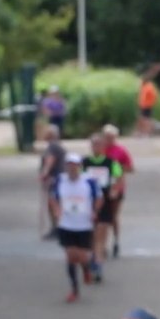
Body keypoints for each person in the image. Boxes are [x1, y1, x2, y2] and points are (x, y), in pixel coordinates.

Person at [51, 154, 102, 303]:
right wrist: (56, 211)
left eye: (75, 165)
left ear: (79, 166)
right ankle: (74, 289)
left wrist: (94, 211)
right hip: (66, 224)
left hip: (84, 224)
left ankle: (86, 268)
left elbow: (99, 198)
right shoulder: (60, 180)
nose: (72, 168)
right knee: (70, 256)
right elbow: (53, 197)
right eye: (69, 165)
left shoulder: (89, 181)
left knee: (81, 255)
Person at [83, 135, 125, 282]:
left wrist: (115, 190)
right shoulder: (84, 162)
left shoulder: (110, 163)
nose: (96, 148)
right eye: (94, 145)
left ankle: (98, 263)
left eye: (99, 145)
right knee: (91, 236)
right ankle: (93, 258)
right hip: (88, 203)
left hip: (105, 201)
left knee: (101, 234)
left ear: (103, 147)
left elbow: (120, 177)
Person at [102, 125, 134, 259]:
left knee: (113, 216)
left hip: (117, 186)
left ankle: (115, 241)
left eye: (112, 137)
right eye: (107, 137)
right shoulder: (100, 150)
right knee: (101, 218)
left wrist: (118, 168)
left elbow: (130, 168)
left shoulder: (121, 151)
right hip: (102, 187)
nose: (109, 140)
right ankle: (102, 244)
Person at [39, 127, 67, 240]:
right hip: (58, 179)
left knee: (53, 204)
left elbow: (50, 161)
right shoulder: (56, 145)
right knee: (55, 204)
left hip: (55, 179)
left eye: (46, 132)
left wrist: (44, 174)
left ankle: (57, 228)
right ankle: (57, 227)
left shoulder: (53, 146)